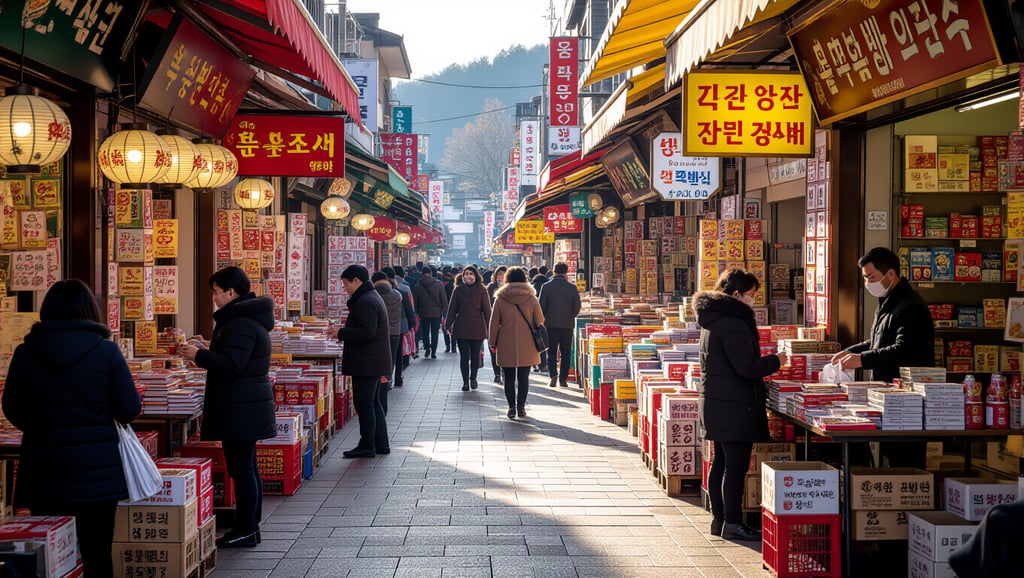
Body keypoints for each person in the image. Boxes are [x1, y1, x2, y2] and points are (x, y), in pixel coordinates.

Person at [2, 280, 141, 575]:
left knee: (52, 550)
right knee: (97, 550)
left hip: (44, 468)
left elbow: (12, 407)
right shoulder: (106, 352)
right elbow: (129, 409)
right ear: (91, 309)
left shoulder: (26, 353)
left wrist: (41, 427)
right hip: (98, 472)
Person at [179, 266, 276, 549]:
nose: (215, 298)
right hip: (243, 403)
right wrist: (209, 346)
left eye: (216, 292)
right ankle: (250, 526)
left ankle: (246, 527)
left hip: (240, 406)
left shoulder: (239, 322)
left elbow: (233, 364)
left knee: (242, 469)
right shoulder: (243, 319)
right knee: (246, 468)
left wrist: (199, 355)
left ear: (230, 292)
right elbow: (236, 354)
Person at [694, 269, 787, 541]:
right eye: (751, 295)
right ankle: (732, 522)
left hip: (718, 402)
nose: (753, 301)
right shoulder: (733, 323)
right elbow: (746, 367)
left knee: (721, 462)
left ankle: (719, 520)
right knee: (734, 466)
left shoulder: (712, 319)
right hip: (735, 406)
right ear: (736, 294)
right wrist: (777, 361)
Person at [831, 247, 935, 468]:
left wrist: (863, 360)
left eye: (872, 277)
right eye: (865, 278)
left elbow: (904, 349)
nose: (868, 283)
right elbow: (878, 341)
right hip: (888, 395)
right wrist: (853, 351)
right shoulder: (887, 302)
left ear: (890, 274)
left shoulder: (910, 305)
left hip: (907, 399)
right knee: (889, 456)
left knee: (904, 461)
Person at [336, 265, 391, 458]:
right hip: (372, 361)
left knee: (365, 404)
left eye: (346, 284)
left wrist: (340, 333)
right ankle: (380, 444)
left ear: (356, 281)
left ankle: (367, 445)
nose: (345, 288)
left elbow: (367, 331)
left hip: (367, 363)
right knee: (373, 403)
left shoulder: (366, 301)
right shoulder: (370, 297)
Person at [489, 267, 545, 420]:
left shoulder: (500, 299)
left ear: (507, 279)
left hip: (506, 342)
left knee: (508, 377)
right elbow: (540, 320)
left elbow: (494, 324)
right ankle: (521, 408)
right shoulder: (532, 298)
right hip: (527, 343)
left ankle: (511, 407)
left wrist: (492, 342)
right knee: (523, 377)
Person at [445, 265, 492, 391]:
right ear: (462, 276)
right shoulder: (458, 289)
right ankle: (465, 382)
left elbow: (487, 311)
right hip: (461, 327)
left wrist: (490, 328)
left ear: (476, 276)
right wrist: (448, 324)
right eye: (466, 274)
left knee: (475, 355)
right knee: (464, 357)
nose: (468, 276)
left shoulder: (482, 289)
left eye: (471, 274)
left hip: (478, 328)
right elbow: (452, 309)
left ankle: (473, 377)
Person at [539, 262, 582, 388]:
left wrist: (544, 320)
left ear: (554, 271)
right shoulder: (572, 287)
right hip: (567, 325)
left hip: (550, 325)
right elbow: (577, 306)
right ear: (566, 272)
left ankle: (553, 375)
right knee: (566, 352)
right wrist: (570, 316)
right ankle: (563, 378)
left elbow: (541, 306)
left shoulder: (546, 287)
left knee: (551, 352)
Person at [372, 271, 402, 411]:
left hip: (379, 333)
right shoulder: (397, 295)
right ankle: (388, 380)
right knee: (391, 357)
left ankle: (381, 381)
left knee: (379, 357)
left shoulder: (374, 296)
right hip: (395, 331)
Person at [415, 265, 447, 358]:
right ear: (431, 273)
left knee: (425, 332)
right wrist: (444, 310)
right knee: (434, 332)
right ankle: (433, 351)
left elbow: (416, 301)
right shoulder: (439, 284)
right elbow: (443, 299)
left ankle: (427, 349)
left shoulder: (418, 285)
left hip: (423, 312)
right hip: (436, 312)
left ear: (422, 273)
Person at [486, 266, 507, 383]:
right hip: (493, 322)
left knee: (505, 349)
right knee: (493, 348)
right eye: (499, 274)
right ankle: (496, 373)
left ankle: (504, 371)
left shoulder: (510, 288)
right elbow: (487, 304)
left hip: (506, 324)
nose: (501, 277)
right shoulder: (490, 287)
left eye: (503, 274)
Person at [441, 269, 455, 353]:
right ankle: (453, 346)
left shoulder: (441, 285)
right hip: (453, 310)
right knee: (453, 328)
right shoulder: (454, 286)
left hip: (444, 310)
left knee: (445, 327)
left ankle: (448, 346)